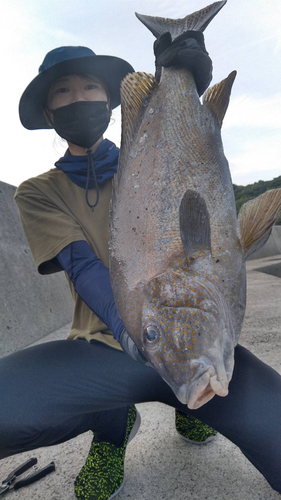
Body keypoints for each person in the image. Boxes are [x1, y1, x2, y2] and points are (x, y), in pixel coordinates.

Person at [0, 35, 280, 500]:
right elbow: (83, 266)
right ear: (49, 114)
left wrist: (185, 87)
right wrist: (139, 333)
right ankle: (111, 430)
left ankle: (189, 405)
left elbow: (210, 200)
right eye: (62, 92)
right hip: (106, 348)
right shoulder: (37, 191)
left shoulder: (153, 154)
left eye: (88, 87)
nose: (78, 98)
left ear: (110, 98)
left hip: (178, 353)